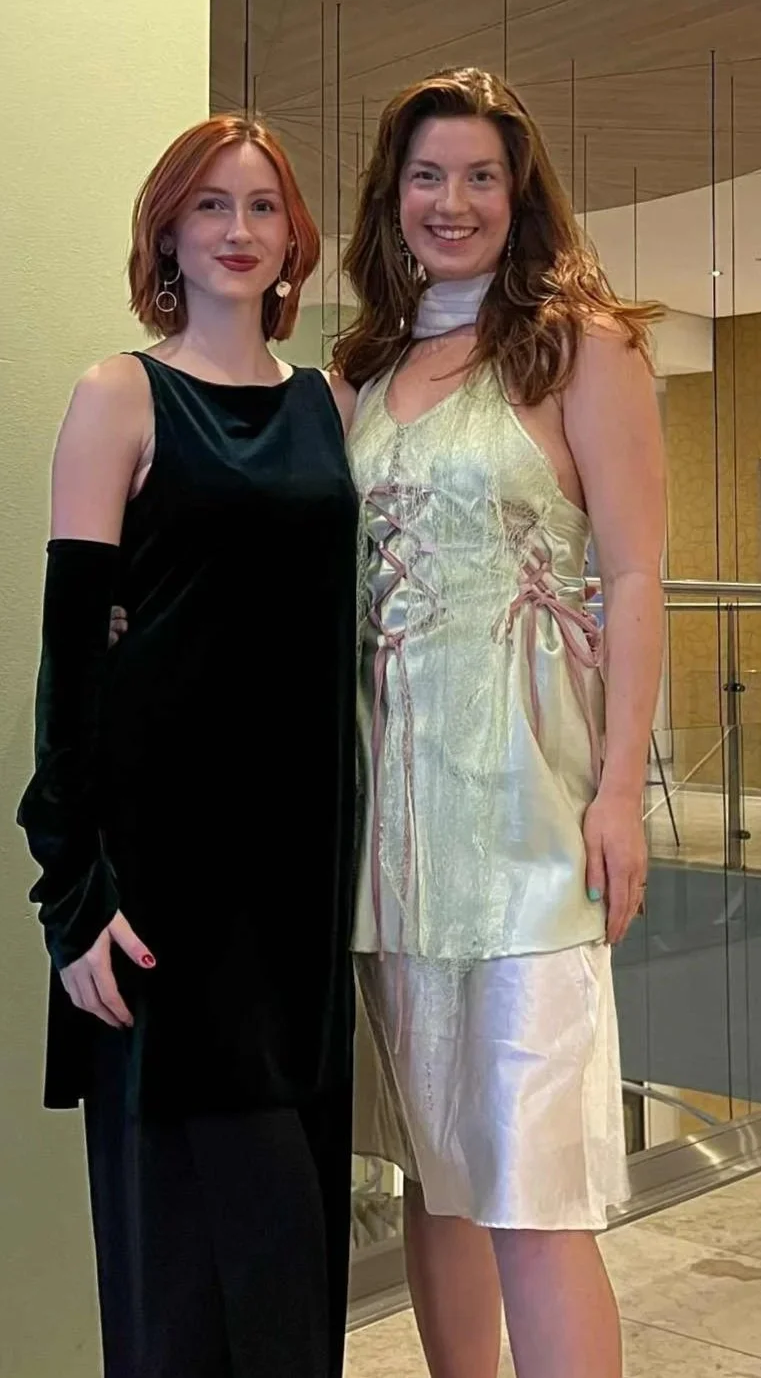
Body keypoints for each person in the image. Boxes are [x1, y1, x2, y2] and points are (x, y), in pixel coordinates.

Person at [334, 67, 666, 1378]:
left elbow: (634, 572)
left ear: (518, 191)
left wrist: (618, 791)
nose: (452, 200)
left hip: (531, 814)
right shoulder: (363, 367)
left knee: (535, 1191)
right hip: (393, 830)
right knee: (438, 1175)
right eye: (428, 175)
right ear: (392, 195)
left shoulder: (581, 344)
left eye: (480, 175)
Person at [17, 114, 359, 1378]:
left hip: (298, 896)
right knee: (184, 1293)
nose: (236, 230)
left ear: (292, 240)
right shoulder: (119, 393)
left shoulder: (332, 403)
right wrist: (75, 900)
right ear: (168, 228)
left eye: (261, 205)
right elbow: (74, 664)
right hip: (163, 902)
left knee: (290, 1282)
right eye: (209, 205)